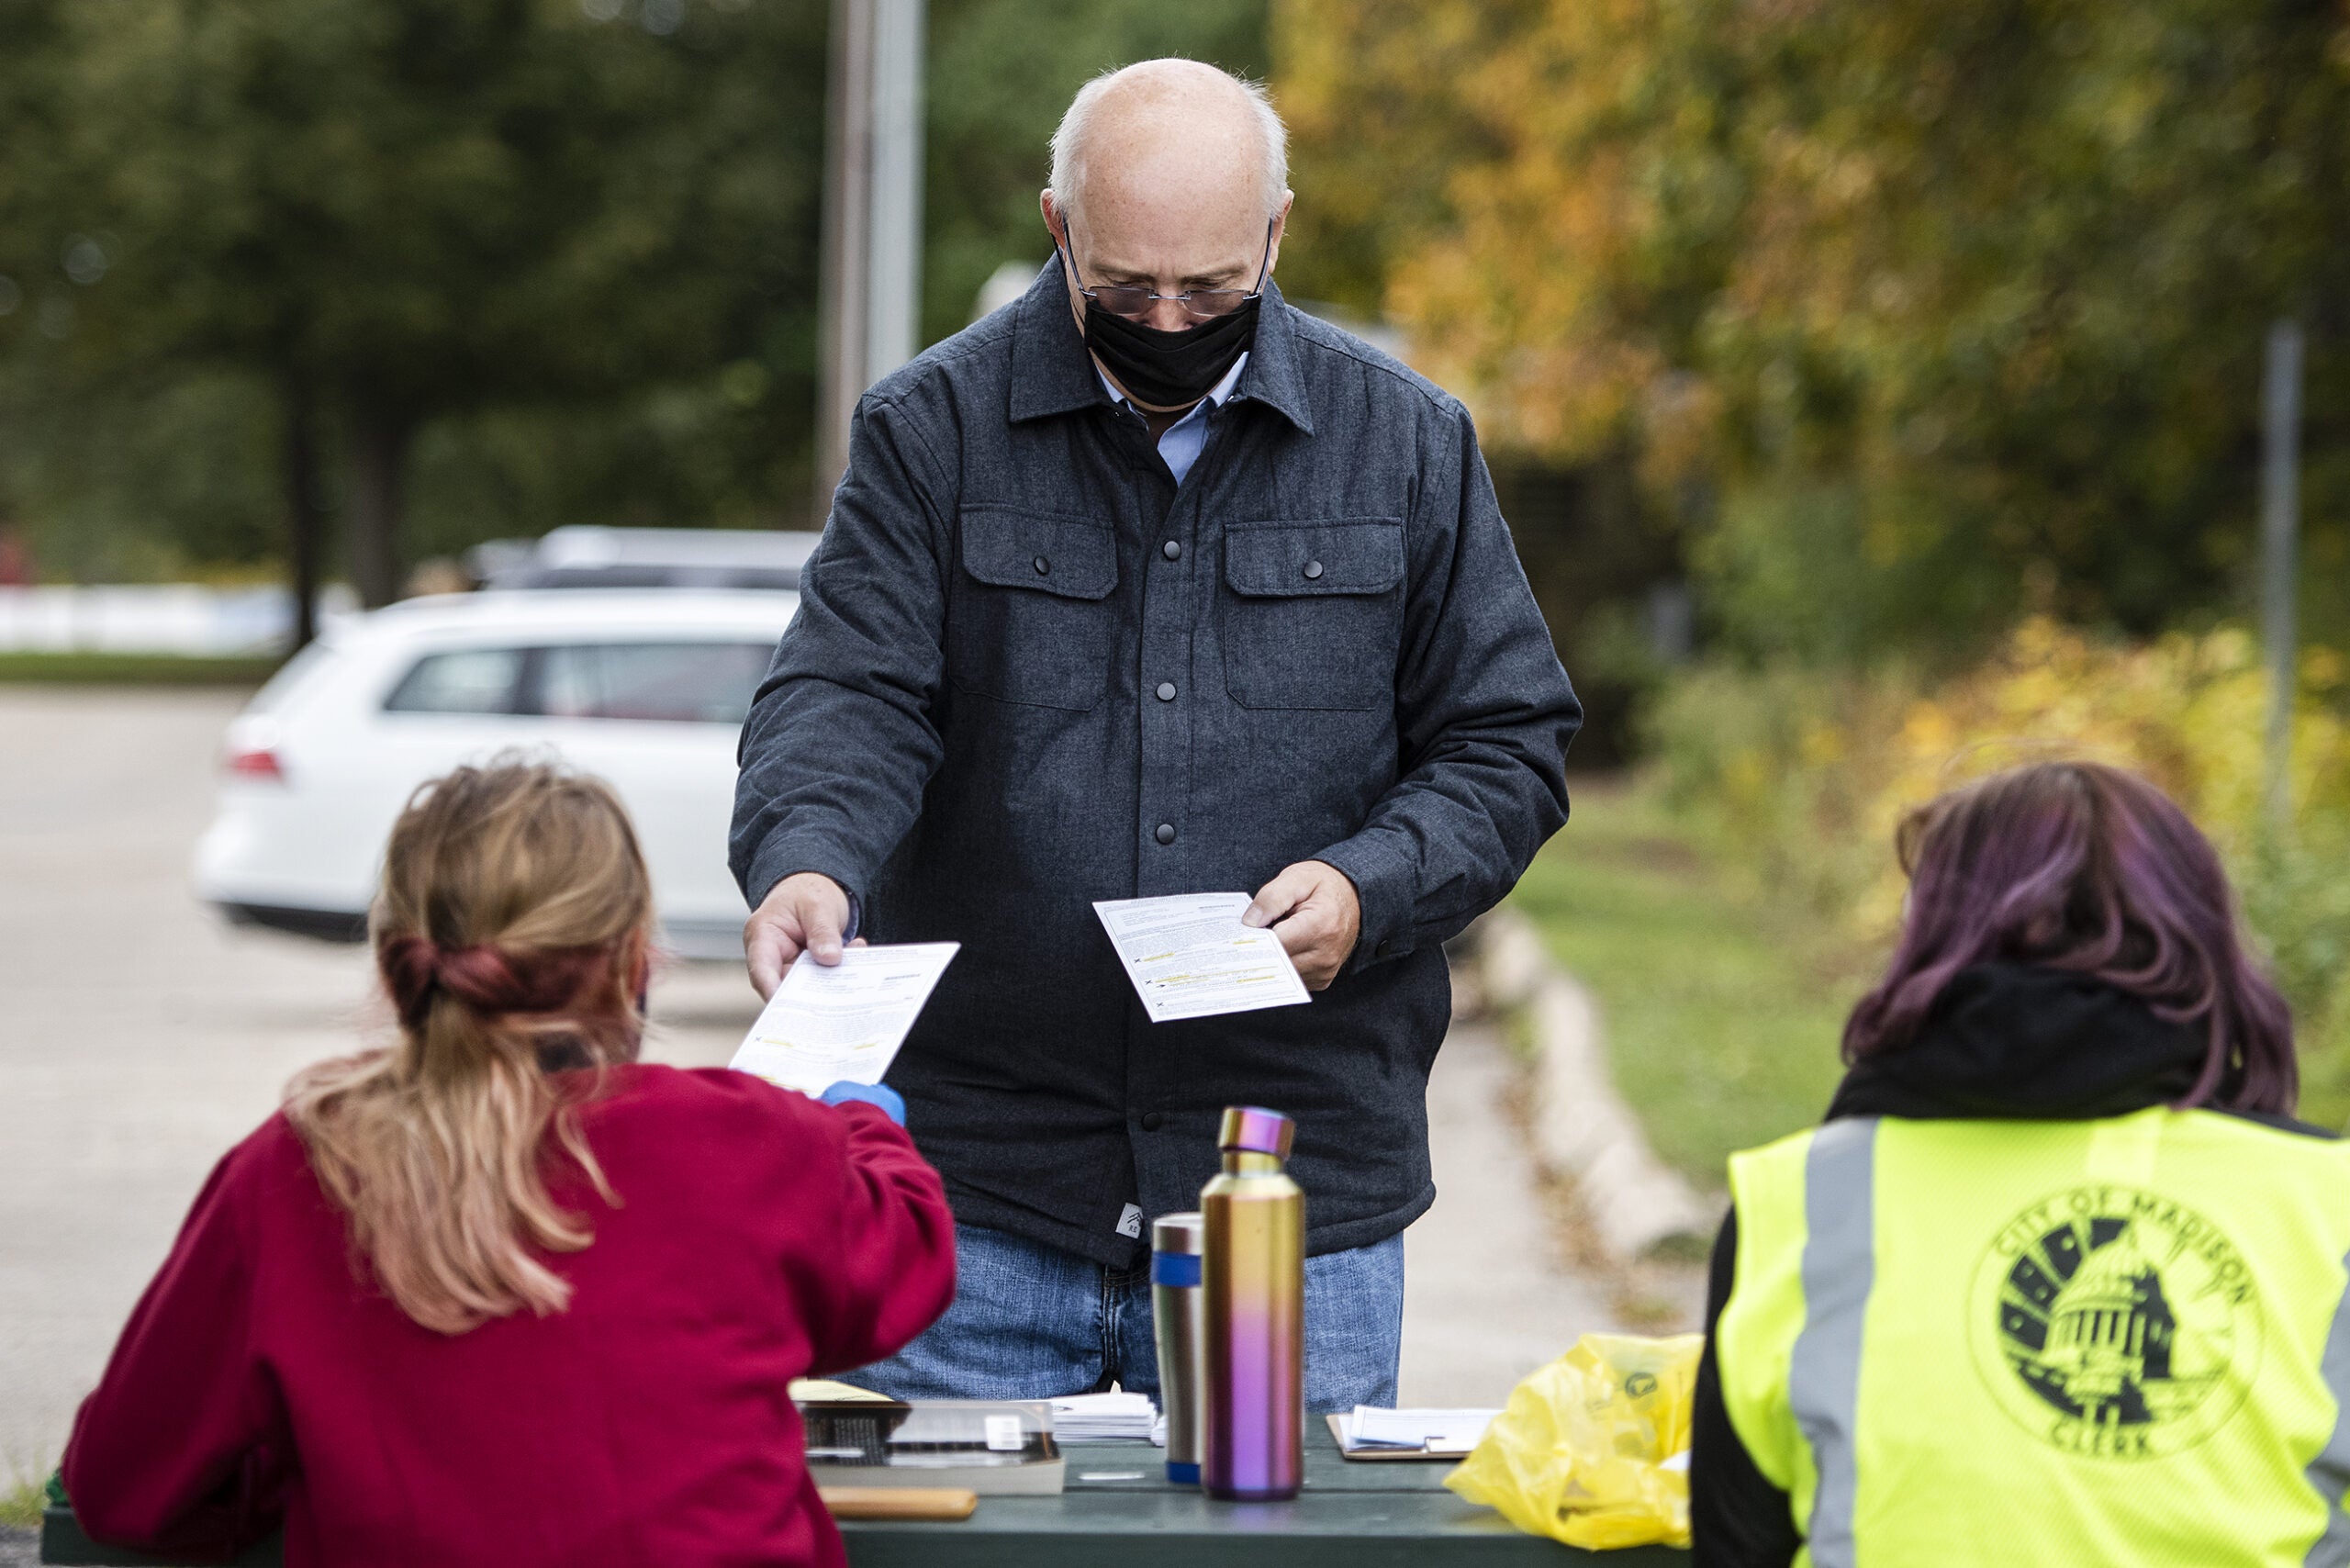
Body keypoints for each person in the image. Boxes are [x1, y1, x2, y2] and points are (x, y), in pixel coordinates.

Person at [730, 57, 1580, 1412]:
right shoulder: (929, 431)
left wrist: (1375, 885)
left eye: (1211, 290)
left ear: (1278, 234)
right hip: (983, 1206)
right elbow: (849, 693)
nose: (1171, 318)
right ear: (1059, 227)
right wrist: (808, 859)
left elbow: (1506, 744)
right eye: (1128, 290)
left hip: (1291, 1204)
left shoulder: (1409, 444)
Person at [63, 763, 955, 1567]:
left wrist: (280, 1478)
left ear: (395, 960)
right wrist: (861, 1125)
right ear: (633, 964)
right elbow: (907, 1263)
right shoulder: (745, 1137)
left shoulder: (297, 1169)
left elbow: (122, 1484)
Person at [1692, 761, 2350, 1566]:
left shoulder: (1801, 1198)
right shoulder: (2330, 1203)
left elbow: (1736, 1548)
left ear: (1929, 938)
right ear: (2207, 943)